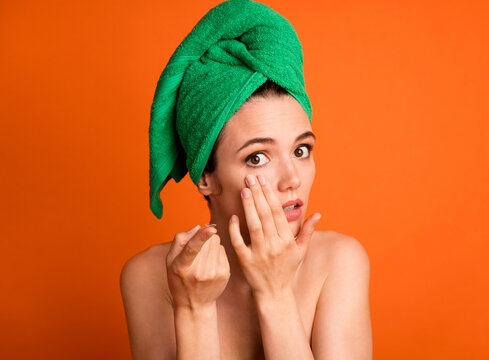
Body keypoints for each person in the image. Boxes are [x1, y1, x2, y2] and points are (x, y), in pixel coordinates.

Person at [120, 1, 372, 359]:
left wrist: (275, 293)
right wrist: (194, 312)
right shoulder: (148, 278)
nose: (291, 180)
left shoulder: (339, 262)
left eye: (302, 150)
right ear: (206, 177)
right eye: (257, 157)